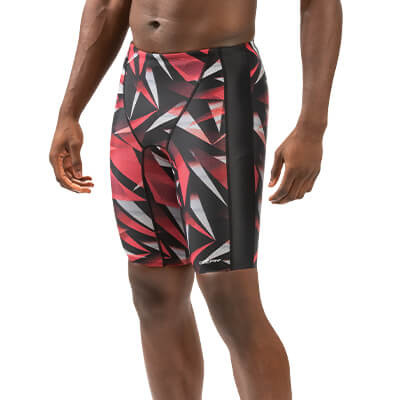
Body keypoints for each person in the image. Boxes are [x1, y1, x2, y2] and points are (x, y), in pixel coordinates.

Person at [49, 0, 342, 399]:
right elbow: (107, 4)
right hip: (139, 86)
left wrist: (312, 126)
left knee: (229, 294)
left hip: (216, 85)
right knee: (153, 289)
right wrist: (70, 112)